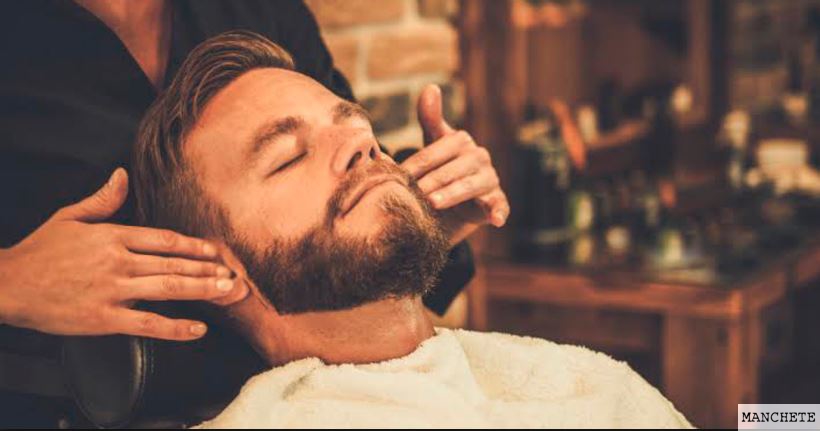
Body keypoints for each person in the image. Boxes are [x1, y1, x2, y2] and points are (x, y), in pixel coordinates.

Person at [131, 31, 691, 429]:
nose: (362, 145)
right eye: (288, 157)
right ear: (217, 268)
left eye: (355, 126)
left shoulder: (585, 386)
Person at [1, 1, 507, 425]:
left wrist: (415, 213)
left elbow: (340, 156)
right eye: (285, 158)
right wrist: (9, 283)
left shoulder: (261, 8)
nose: (361, 146)